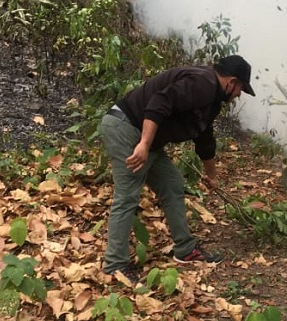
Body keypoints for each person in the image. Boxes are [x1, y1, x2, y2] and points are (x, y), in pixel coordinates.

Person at [99, 55, 255, 278]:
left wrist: (212, 176)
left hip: (146, 139)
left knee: (172, 184)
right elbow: (159, 103)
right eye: (241, 88)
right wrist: (143, 144)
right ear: (232, 81)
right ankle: (115, 265)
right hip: (126, 128)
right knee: (127, 196)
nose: (239, 94)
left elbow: (204, 138)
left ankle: (185, 249)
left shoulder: (211, 98)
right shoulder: (203, 83)